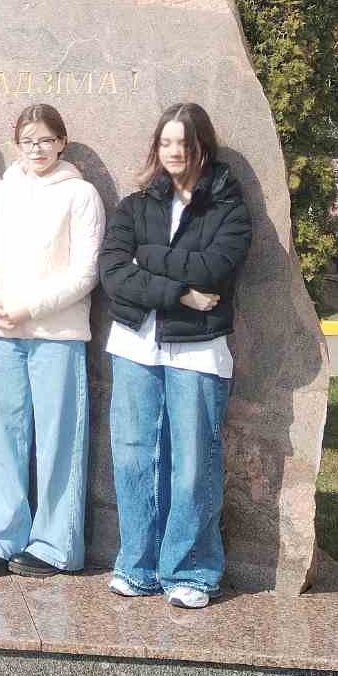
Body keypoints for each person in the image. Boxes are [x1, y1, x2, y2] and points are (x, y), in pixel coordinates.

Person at [99, 102, 252, 609]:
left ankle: (190, 571)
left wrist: (152, 262)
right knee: (134, 458)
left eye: (182, 143)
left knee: (192, 465)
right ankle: (137, 566)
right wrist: (179, 293)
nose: (173, 152)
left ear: (201, 146)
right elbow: (114, 272)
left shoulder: (228, 207)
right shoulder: (135, 204)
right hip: (135, 345)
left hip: (198, 351)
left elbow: (216, 267)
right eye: (165, 142)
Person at [0, 103, 105, 579]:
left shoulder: (82, 195)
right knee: (4, 436)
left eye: (46, 140)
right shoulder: (1, 192)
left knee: (58, 438)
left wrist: (32, 307)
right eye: (28, 141)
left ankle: (55, 543)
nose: (37, 149)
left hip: (58, 334)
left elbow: (86, 271)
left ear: (62, 142)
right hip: (4, 333)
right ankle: (0, 538)